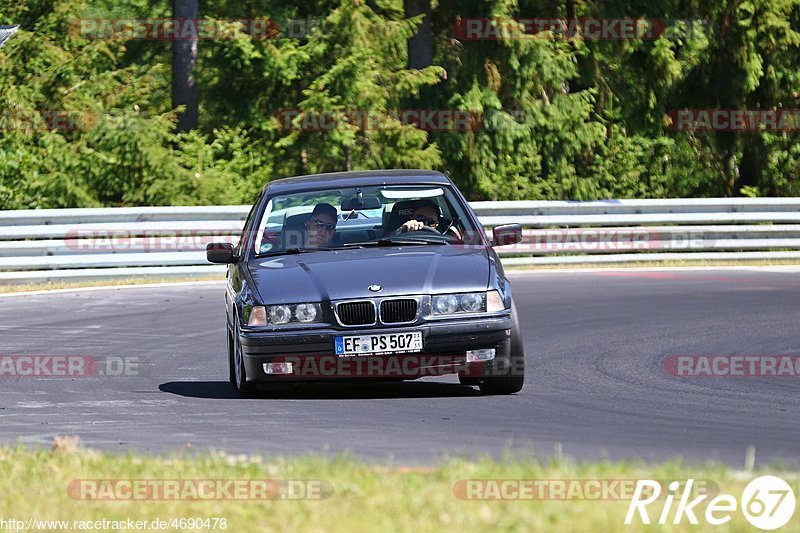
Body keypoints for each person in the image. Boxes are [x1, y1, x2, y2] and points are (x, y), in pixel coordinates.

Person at [395, 200, 463, 240]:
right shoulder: (400, 234)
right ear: (412, 218)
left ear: (437, 224)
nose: (425, 224)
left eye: (431, 221)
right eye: (420, 218)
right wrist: (401, 230)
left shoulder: (444, 240)